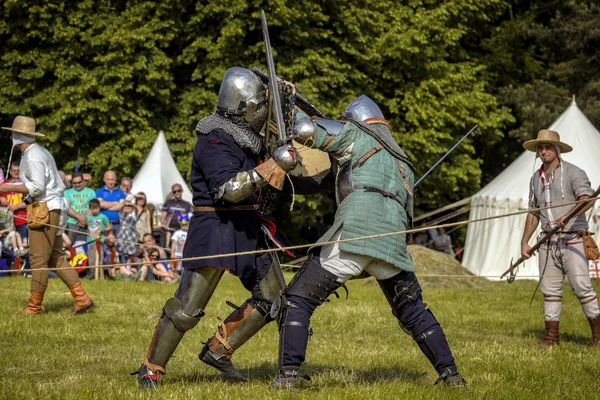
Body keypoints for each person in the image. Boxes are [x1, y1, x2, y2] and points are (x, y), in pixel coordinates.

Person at [270, 96, 466, 390]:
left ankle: (288, 376)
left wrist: (292, 130)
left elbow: (307, 130)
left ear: (355, 121)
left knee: (296, 300)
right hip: (392, 243)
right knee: (413, 311)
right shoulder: (403, 161)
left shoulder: (356, 134)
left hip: (357, 230)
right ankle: (451, 376)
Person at [135, 66, 294, 389]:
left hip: (248, 226)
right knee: (186, 310)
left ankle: (219, 351)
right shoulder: (215, 139)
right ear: (242, 107)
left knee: (274, 299)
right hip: (216, 227)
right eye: (259, 106)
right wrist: (272, 167)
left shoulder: (247, 140)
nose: (263, 113)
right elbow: (229, 189)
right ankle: (150, 369)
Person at [0, 115, 93, 315]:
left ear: (19, 136)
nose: (11, 138)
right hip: (53, 207)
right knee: (56, 258)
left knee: (38, 260)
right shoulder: (38, 152)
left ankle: (34, 307)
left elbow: (37, 187)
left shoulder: (32, 155)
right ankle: (81, 298)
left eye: (13, 134)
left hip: (46, 211)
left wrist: (7, 187)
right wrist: (23, 204)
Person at [520, 129, 600, 347]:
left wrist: (569, 214)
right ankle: (551, 337)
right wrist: (525, 242)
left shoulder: (575, 172)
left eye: (548, 147)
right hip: (547, 240)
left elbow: (588, 199)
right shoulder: (535, 179)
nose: (543, 150)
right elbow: (533, 212)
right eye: (540, 147)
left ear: (557, 149)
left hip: (573, 238)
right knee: (549, 289)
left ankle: (598, 337)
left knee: (582, 286)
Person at [64, 171, 96, 245]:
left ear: (83, 181)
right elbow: (67, 207)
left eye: (79, 182)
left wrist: (84, 218)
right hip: (72, 223)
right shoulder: (67, 192)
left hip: (90, 222)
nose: (77, 184)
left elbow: (93, 207)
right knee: (71, 247)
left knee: (93, 246)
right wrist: (79, 217)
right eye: (74, 183)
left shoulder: (91, 192)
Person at [1, 161, 28, 247]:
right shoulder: (4, 185)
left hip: (22, 220)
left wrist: (16, 206)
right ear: (10, 172)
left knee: (23, 247)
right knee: (9, 246)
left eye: (18, 171)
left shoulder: (25, 185)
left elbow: (30, 202)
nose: (16, 172)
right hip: (7, 222)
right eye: (14, 170)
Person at [86, 198, 112, 279]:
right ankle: (94, 276)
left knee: (99, 261)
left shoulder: (103, 217)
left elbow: (109, 227)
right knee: (91, 261)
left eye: (96, 208)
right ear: (90, 209)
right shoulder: (88, 218)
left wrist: (103, 230)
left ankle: (102, 277)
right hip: (90, 241)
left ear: (99, 207)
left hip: (99, 242)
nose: (95, 210)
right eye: (93, 209)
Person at [96, 171, 125, 235]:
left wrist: (106, 206)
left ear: (115, 180)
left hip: (117, 224)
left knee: (117, 244)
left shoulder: (120, 192)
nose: (110, 182)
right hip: (103, 224)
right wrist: (115, 203)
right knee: (103, 243)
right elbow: (100, 204)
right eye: (108, 179)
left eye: (112, 180)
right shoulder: (99, 191)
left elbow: (121, 206)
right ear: (104, 180)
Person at [116, 194, 138, 265]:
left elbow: (137, 209)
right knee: (122, 250)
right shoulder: (122, 214)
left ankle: (129, 265)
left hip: (131, 234)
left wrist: (132, 204)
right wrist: (124, 203)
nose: (127, 208)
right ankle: (122, 264)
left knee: (130, 252)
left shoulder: (133, 215)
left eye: (129, 207)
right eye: (126, 207)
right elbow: (120, 209)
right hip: (122, 234)